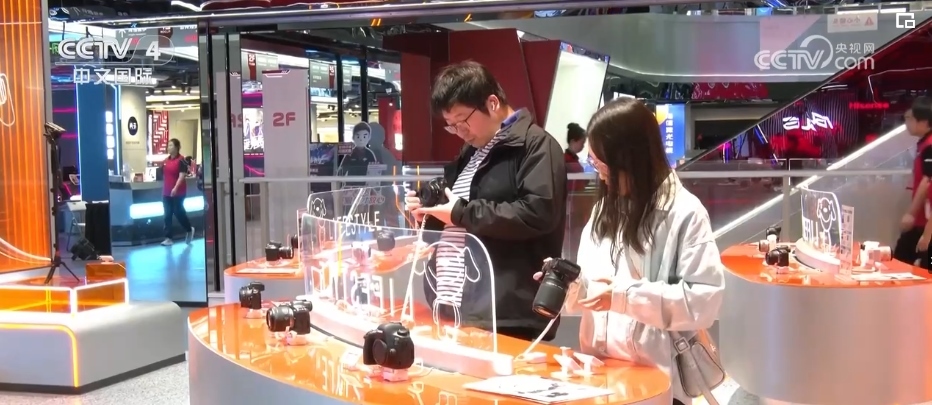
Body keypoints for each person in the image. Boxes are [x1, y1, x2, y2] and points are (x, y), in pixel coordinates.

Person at [536, 98, 723, 405]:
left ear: (631, 159)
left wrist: (624, 297)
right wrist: (569, 285)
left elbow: (705, 301)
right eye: (593, 161)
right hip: (600, 377)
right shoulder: (603, 211)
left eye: (602, 163)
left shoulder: (685, 213)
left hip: (657, 383)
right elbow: (595, 291)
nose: (598, 172)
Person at [404, 60, 567, 341]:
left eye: (463, 120)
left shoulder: (536, 145)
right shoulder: (471, 152)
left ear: (492, 103)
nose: (460, 131)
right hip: (456, 303)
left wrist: (461, 213)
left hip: (505, 311)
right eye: (451, 126)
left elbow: (537, 213)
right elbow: (460, 216)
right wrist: (428, 213)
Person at [895, 96, 932, 269]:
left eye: (910, 119)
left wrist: (911, 213)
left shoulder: (929, 147)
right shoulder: (923, 145)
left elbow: (927, 181)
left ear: (923, 122)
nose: (907, 123)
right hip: (922, 221)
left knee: (906, 260)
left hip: (925, 222)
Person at [161, 138, 195, 246]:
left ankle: (189, 229)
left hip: (178, 192)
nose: (168, 147)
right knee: (167, 215)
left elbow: (181, 176)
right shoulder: (166, 161)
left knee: (178, 212)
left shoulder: (182, 160)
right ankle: (168, 238)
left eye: (171, 145)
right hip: (166, 192)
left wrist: (175, 188)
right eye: (168, 145)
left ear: (176, 147)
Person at [565, 122, 587, 192]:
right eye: (582, 143)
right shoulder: (565, 160)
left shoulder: (575, 160)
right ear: (573, 141)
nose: (583, 146)